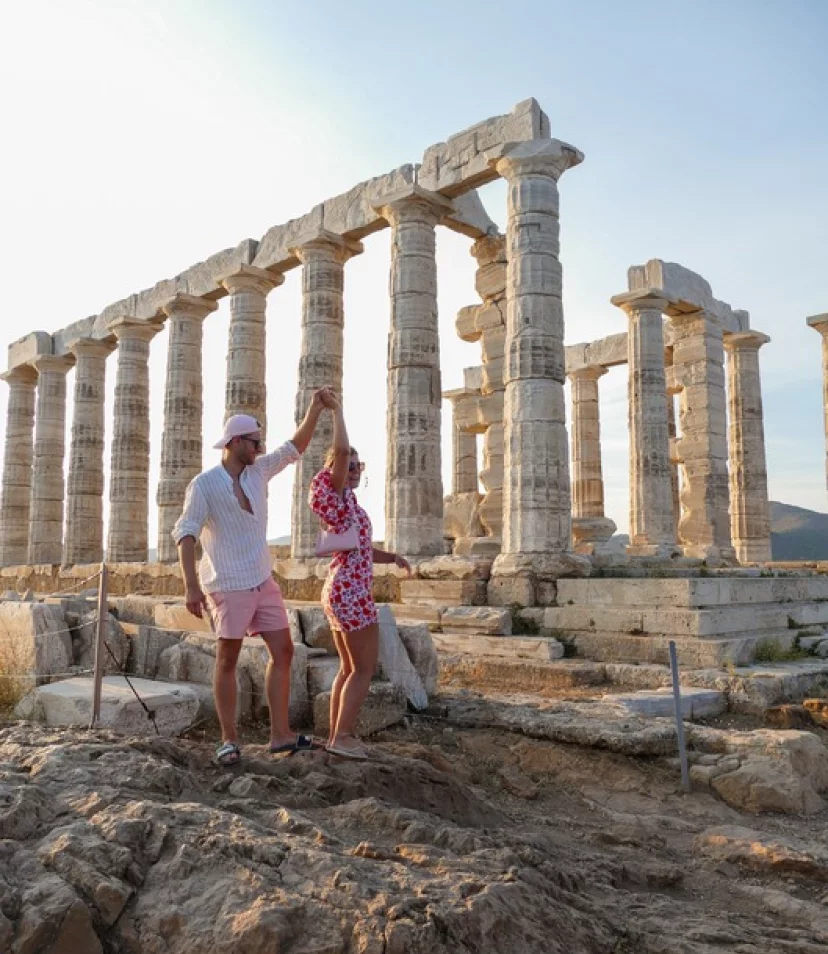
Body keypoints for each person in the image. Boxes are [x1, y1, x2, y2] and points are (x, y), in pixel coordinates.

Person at [173, 388, 337, 765]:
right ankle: (229, 740)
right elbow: (186, 533)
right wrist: (191, 587)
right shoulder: (204, 484)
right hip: (227, 584)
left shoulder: (258, 471)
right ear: (234, 442)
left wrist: (315, 408)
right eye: (254, 442)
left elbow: (293, 448)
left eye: (260, 443)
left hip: (263, 579)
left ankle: (280, 735)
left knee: (284, 651)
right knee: (227, 659)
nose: (260, 448)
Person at [309, 397, 410, 759]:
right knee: (364, 669)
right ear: (334, 469)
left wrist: (392, 557)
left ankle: (336, 734)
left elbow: (361, 549)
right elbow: (338, 449)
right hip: (350, 591)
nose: (353, 470)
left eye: (358, 465)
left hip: (341, 588)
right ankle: (343, 736)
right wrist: (337, 411)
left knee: (349, 668)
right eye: (346, 466)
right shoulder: (335, 496)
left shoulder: (349, 504)